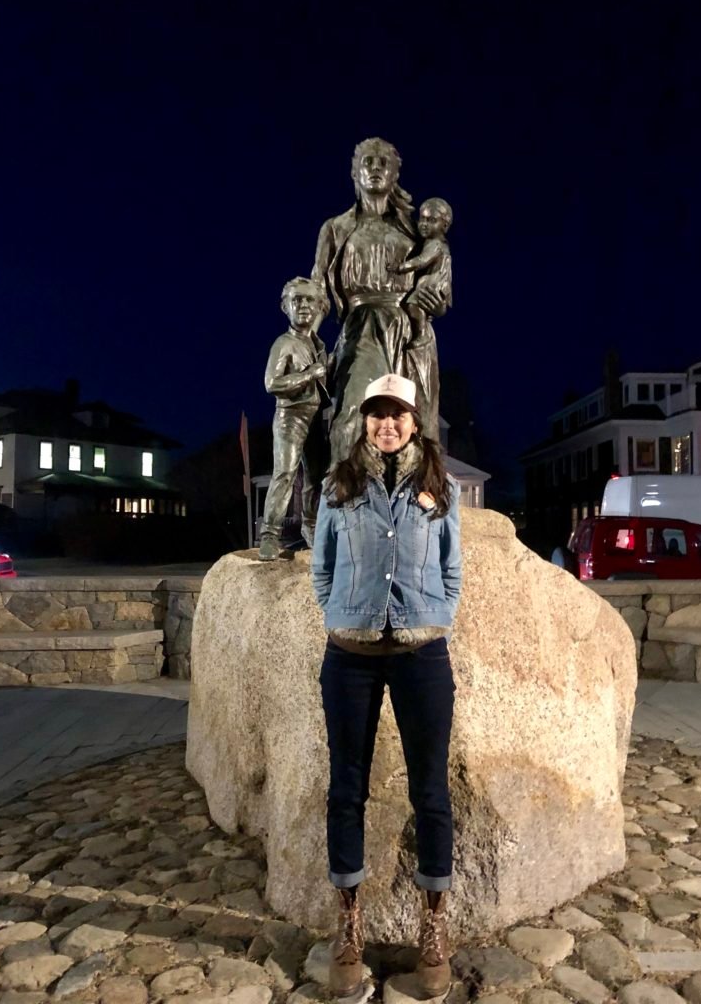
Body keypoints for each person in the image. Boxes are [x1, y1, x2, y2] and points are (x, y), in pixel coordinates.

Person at [310, 373, 462, 999]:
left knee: (431, 791)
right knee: (347, 788)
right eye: (377, 414)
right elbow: (322, 567)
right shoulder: (338, 486)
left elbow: (452, 568)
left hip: (422, 653)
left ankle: (434, 927)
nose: (387, 424)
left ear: (415, 421)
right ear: (365, 421)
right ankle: (349, 924)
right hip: (350, 655)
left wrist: (435, 613)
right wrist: (340, 612)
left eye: (398, 413)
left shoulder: (441, 488)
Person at [311, 138, 449, 462]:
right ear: (354, 173)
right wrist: (307, 342)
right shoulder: (336, 228)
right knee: (354, 411)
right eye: (367, 162)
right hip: (362, 327)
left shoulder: (417, 230)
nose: (375, 168)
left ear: (395, 174)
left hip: (411, 328)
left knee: (417, 417)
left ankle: (422, 497)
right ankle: (343, 496)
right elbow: (318, 289)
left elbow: (441, 288)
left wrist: (433, 298)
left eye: (382, 163)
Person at [259, 277, 329, 561]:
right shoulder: (284, 343)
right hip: (291, 416)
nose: (303, 305)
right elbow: (272, 383)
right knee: (286, 472)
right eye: (297, 300)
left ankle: (311, 527)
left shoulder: (316, 343)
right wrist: (310, 374)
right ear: (284, 306)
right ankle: (269, 535)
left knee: (316, 476)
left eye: (309, 300)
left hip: (316, 417)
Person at [396, 197, 453, 349]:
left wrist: (401, 267)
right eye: (422, 219)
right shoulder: (428, 240)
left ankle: (420, 334)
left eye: (431, 220)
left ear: (445, 226)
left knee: (413, 305)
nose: (424, 224)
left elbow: (421, 261)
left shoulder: (435, 244)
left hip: (430, 283)